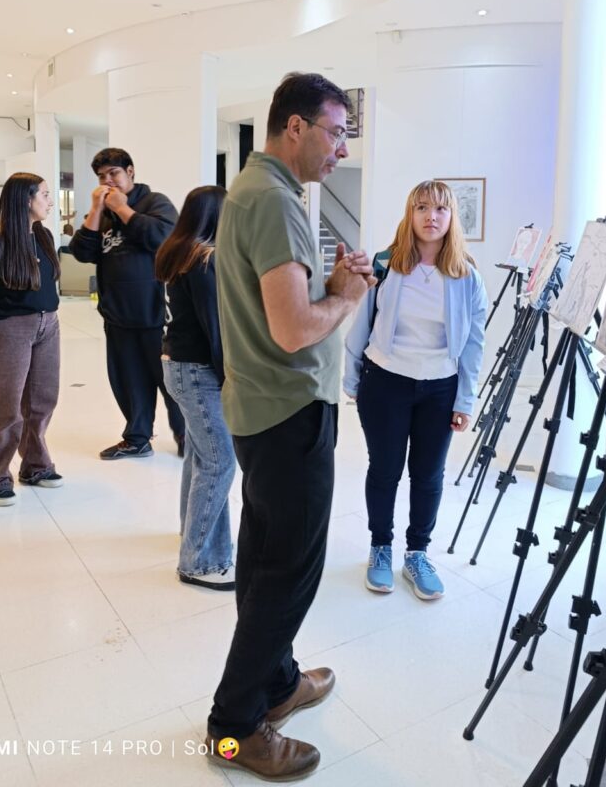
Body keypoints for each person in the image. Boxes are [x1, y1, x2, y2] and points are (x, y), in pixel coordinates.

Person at [205, 73, 375, 781]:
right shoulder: (274, 200)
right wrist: (347, 297)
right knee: (288, 574)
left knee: (264, 556)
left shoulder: (254, 190)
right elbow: (293, 328)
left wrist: (329, 289)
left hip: (263, 410)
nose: (343, 148)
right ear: (295, 127)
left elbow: (280, 310)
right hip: (288, 413)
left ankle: (276, 683)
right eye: (337, 132)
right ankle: (234, 726)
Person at [344, 179, 488, 600]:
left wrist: (465, 399)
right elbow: (361, 322)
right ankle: (380, 548)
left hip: (439, 388)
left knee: (428, 475)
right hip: (385, 381)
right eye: (421, 207)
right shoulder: (386, 264)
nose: (431, 217)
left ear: (451, 217)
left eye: (440, 209)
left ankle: (418, 554)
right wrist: (352, 378)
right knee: (384, 469)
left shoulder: (467, 276)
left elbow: (474, 344)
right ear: (410, 214)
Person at [69, 147, 186, 459]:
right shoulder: (102, 215)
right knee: (128, 381)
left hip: (156, 315)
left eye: (114, 173)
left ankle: (188, 437)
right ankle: (137, 438)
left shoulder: (154, 202)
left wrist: (123, 210)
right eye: (101, 176)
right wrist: (96, 211)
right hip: (118, 315)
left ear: (130, 171)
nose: (108, 181)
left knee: (171, 383)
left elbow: (165, 237)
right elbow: (82, 252)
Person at [0, 173, 63, 506]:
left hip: (47, 325)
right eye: (44, 194)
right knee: (6, 405)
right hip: (8, 328)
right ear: (25, 199)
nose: (50, 201)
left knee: (42, 400)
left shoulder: (42, 234)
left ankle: (35, 465)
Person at [156, 185, 236, 591]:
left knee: (200, 457)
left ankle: (192, 535)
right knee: (220, 461)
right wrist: (229, 378)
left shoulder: (180, 253)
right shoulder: (204, 259)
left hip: (178, 366)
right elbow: (215, 328)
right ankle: (199, 561)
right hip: (197, 372)